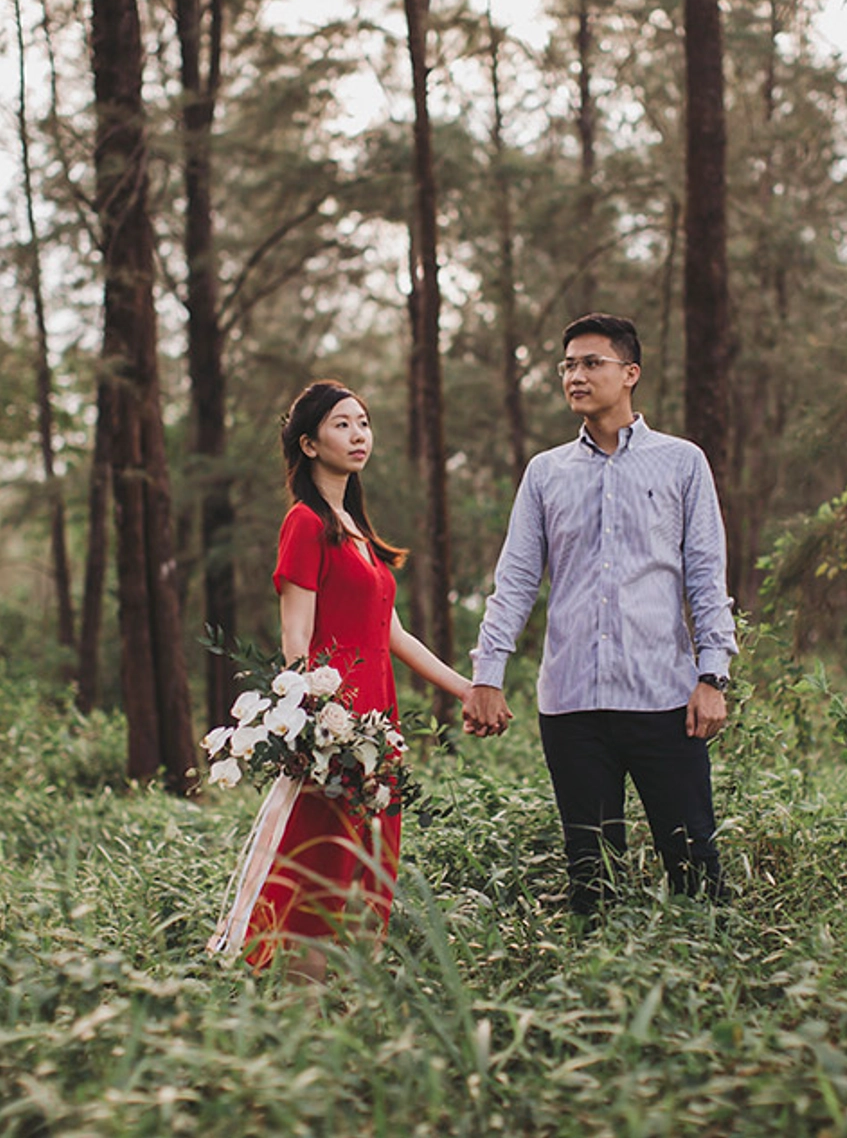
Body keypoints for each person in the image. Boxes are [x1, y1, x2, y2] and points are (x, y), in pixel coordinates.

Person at [462, 313, 737, 920]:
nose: (576, 376)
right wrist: (487, 674)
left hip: (665, 701)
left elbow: (705, 578)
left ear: (630, 374)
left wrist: (712, 675)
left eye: (591, 363)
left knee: (695, 870)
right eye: (568, 366)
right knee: (593, 882)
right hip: (573, 709)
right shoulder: (546, 473)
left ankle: (706, 989)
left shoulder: (682, 463)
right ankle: (602, 1006)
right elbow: (514, 581)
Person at [209, 379, 471, 981]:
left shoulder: (357, 531)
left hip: (379, 729)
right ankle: (299, 1005)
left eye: (364, 423)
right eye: (341, 424)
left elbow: (393, 636)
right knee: (320, 869)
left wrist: (466, 688)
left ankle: (351, 1008)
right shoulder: (305, 524)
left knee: (370, 867)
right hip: (335, 734)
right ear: (308, 444)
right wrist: (314, 736)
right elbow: (295, 639)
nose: (358, 435)